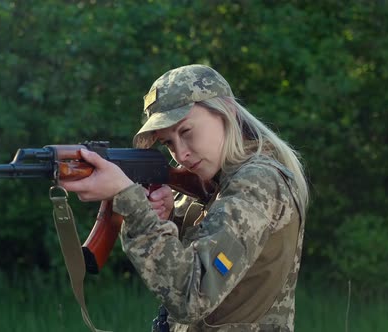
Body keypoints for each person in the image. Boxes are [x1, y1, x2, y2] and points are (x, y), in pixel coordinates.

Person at [61, 64, 309, 332]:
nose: (180, 154)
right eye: (168, 143)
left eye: (186, 132)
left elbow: (192, 297)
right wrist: (172, 219)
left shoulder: (258, 181)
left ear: (227, 112)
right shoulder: (212, 185)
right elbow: (187, 267)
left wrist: (129, 200)